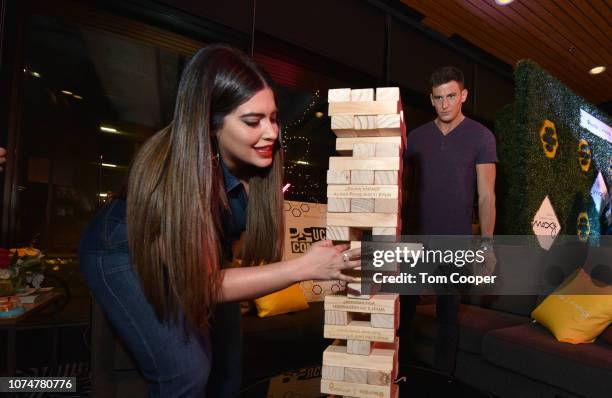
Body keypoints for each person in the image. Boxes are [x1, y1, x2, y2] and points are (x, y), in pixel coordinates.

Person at [78, 45, 360, 397]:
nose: (271, 132)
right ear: (211, 124)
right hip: (121, 251)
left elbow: (220, 252)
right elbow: (201, 284)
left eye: (273, 118)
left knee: (228, 361)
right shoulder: (171, 177)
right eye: (252, 121)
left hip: (194, 257)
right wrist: (303, 267)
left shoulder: (255, 167)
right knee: (187, 371)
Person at [399, 66, 497, 375]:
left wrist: (486, 245)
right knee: (404, 313)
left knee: (447, 316)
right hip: (413, 240)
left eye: (451, 96)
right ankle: (401, 375)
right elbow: (401, 190)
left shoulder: (481, 137)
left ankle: (443, 382)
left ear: (463, 96)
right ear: (431, 99)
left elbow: (486, 196)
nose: (445, 104)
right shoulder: (416, 138)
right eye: (439, 98)